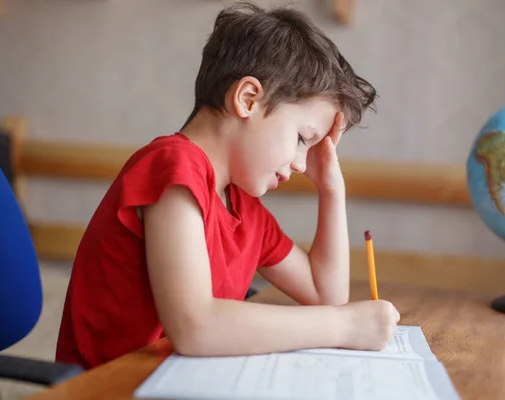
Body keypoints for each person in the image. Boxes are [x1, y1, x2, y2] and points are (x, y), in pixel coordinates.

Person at [55, 1, 400, 370]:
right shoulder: (172, 167)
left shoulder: (242, 205)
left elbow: (325, 293)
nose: (302, 164)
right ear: (248, 99)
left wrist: (331, 189)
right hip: (112, 387)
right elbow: (195, 326)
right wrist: (344, 325)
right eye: (303, 138)